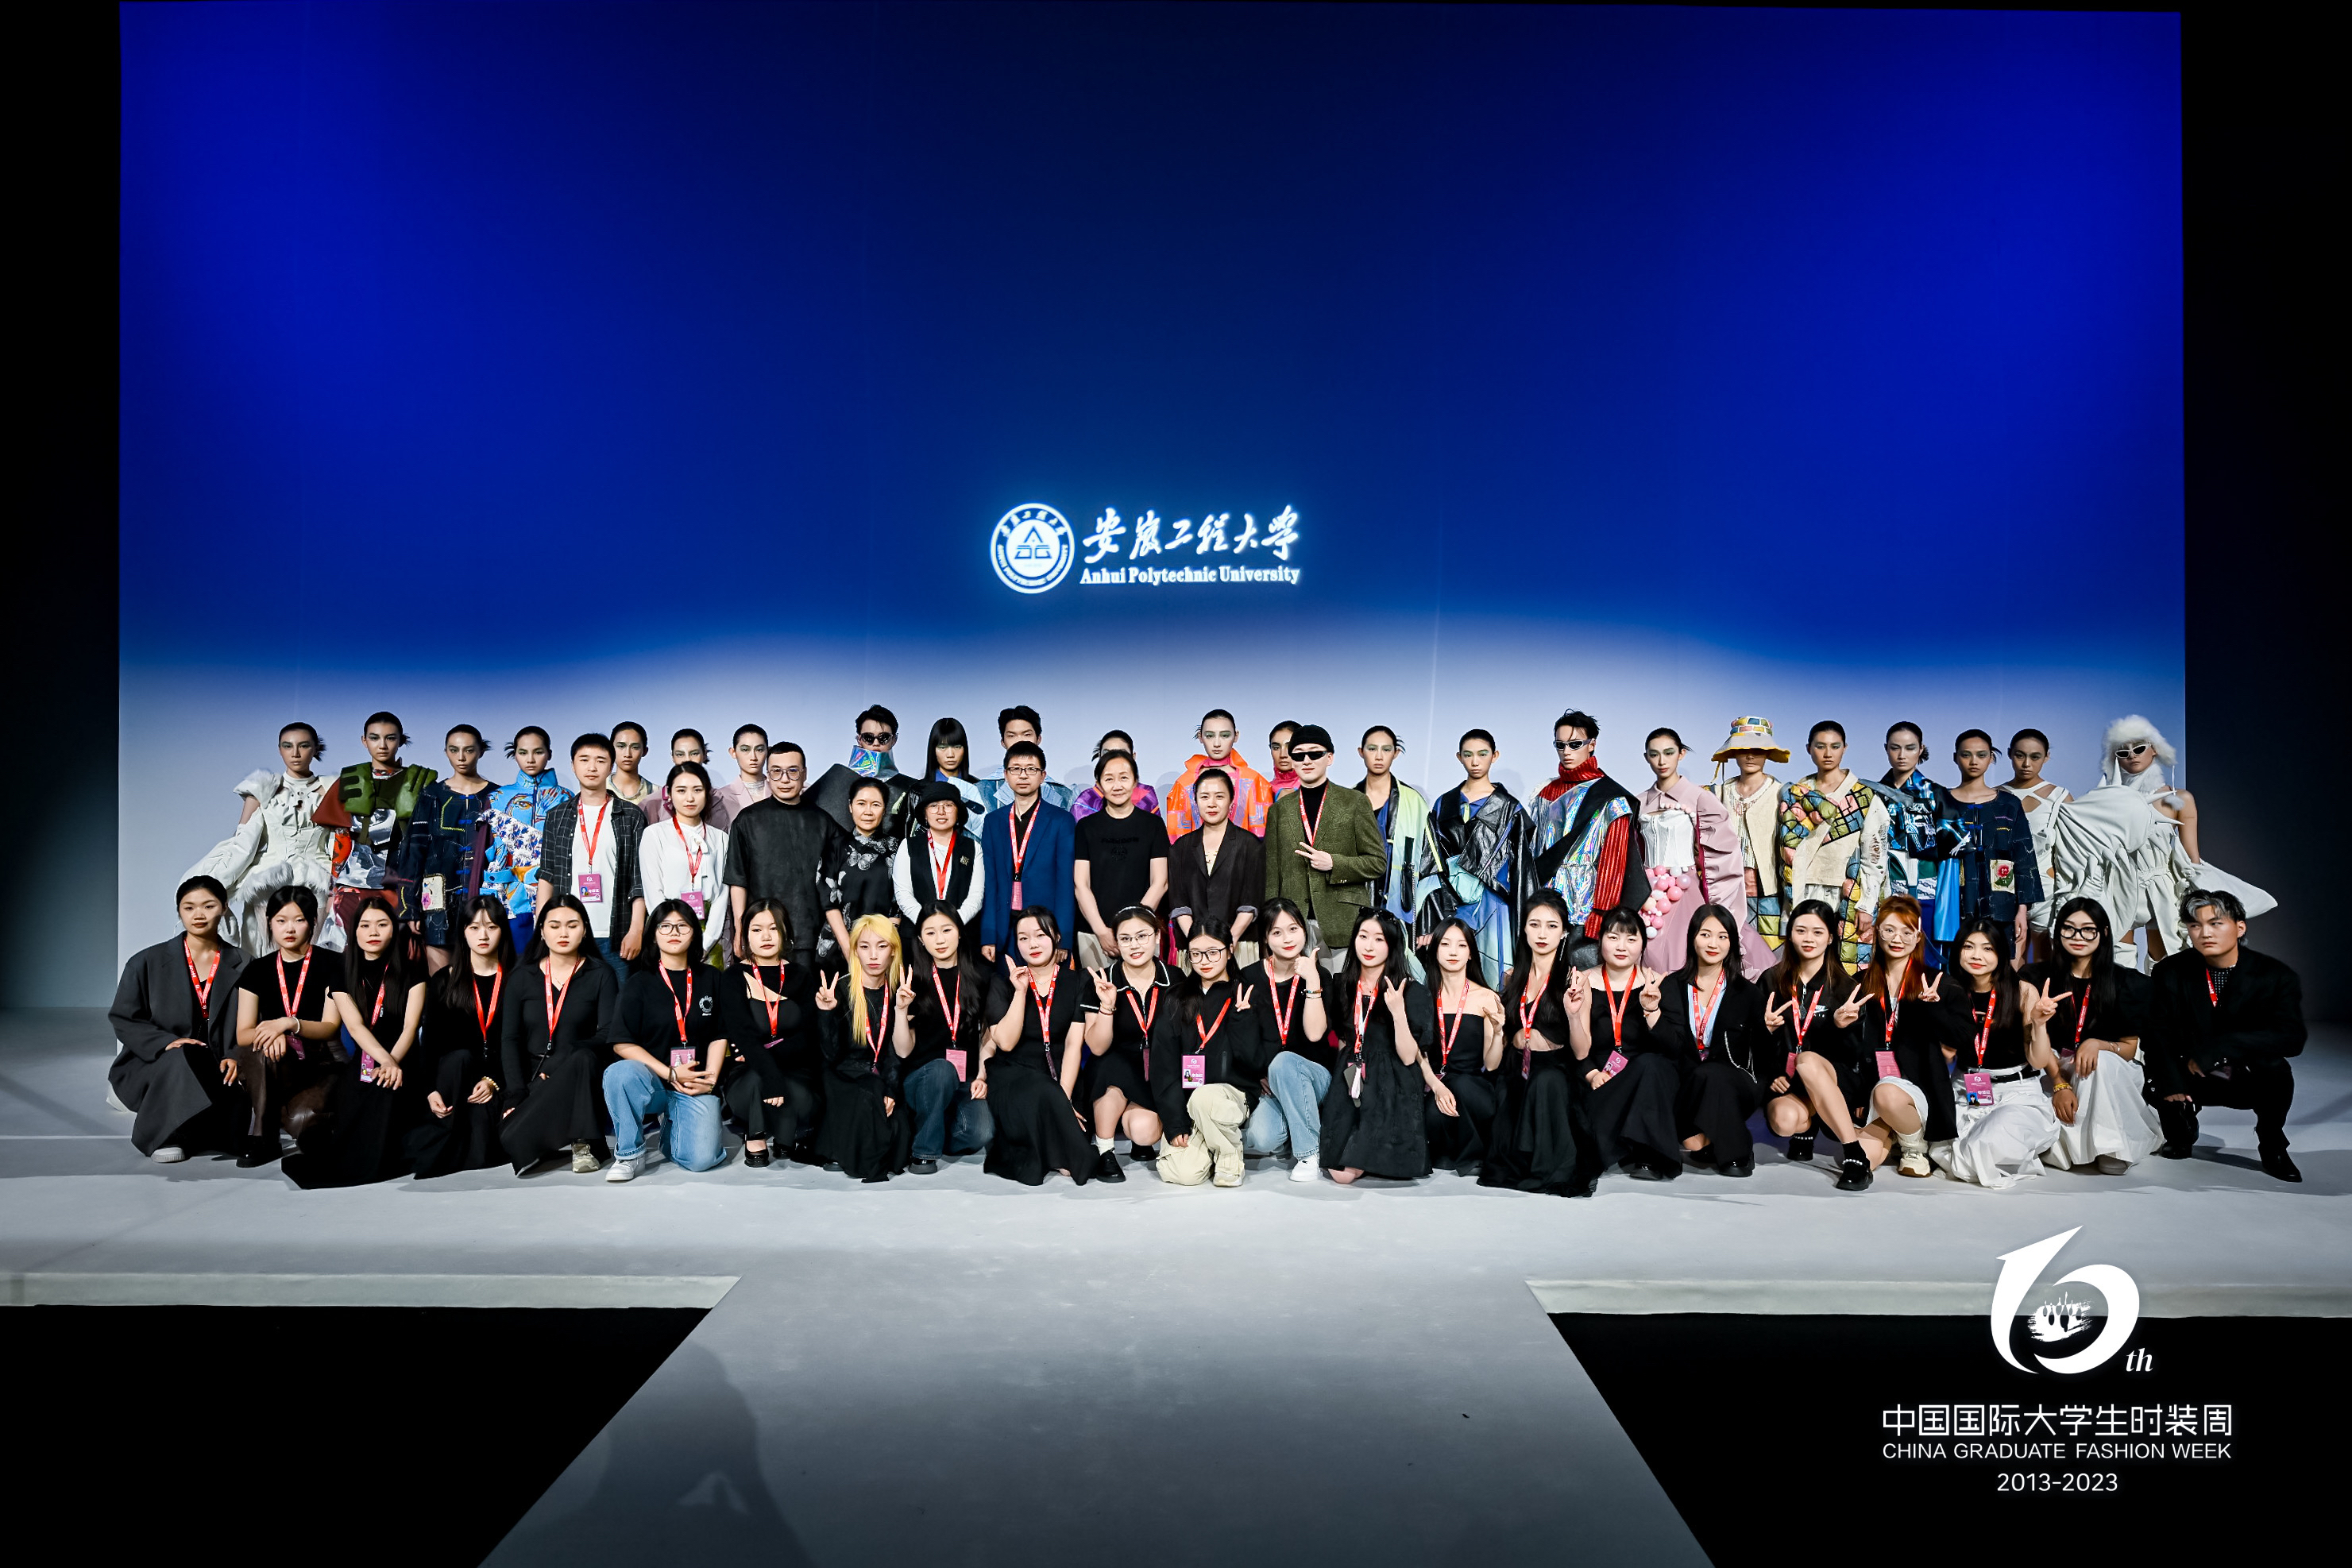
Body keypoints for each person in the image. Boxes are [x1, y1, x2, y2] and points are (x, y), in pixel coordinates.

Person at [2045, 716, 2274, 968]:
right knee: (2118, 955)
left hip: (2160, 885)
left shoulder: (2180, 799)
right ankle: (2122, 995)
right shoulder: (2104, 801)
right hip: (2119, 883)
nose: (2132, 756)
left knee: (2166, 955)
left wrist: (2198, 894)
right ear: (2115, 758)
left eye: (2139, 748)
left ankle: (2163, 994)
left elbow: (2192, 859)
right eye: (2123, 752)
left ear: (2154, 749)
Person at [2145, 888, 2304, 1182]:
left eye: (2216, 923)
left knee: (2277, 1070)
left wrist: (2223, 1048)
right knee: (2153, 1070)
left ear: (2240, 928)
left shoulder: (2273, 975)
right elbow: (2157, 1033)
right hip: (2190, 1067)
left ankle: (2272, 1144)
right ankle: (2180, 1129)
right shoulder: (2170, 971)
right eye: (2195, 925)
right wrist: (2172, 1081)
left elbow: (2292, 1038)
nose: (2205, 933)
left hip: (2245, 1071)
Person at [285, 894, 428, 1188]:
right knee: (356, 1099)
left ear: (394, 929)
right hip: (365, 1058)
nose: (373, 932)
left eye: (382, 924)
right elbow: (355, 1026)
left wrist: (393, 1063)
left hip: (404, 1058)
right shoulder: (342, 972)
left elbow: (410, 1028)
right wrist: (384, 1061)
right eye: (365, 925)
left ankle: (378, 1159)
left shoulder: (413, 971)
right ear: (355, 931)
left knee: (388, 1090)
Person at [108, 876, 251, 1162]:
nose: (198, 915)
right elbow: (124, 1018)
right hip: (157, 1062)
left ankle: (207, 1128)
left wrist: (237, 1054)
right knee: (182, 1055)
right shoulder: (146, 962)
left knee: (232, 1132)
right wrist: (166, 1042)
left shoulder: (245, 963)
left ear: (224, 908)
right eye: (189, 907)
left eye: (208, 906)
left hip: (219, 1063)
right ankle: (165, 1136)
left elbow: (255, 1021)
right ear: (179, 911)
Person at [1924, 917, 2064, 1188]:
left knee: (1981, 1146)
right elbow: (1946, 1056)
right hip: (1966, 1089)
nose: (1977, 956)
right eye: (1969, 947)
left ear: (2001, 953)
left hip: (2016, 1094)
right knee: (1941, 1147)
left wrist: (2039, 1023)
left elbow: (2037, 1060)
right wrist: (1934, 1015)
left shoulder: (2023, 991)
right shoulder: (1949, 991)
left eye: (1987, 948)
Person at [2026, 896, 2161, 1174]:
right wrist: (2059, 1083)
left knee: (2100, 1064)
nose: (2078, 937)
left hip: (2107, 1073)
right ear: (2058, 932)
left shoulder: (2126, 982)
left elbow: (2129, 1049)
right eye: (2069, 929)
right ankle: (2077, 1146)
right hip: (2050, 1066)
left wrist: (2099, 1044)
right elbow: (2032, 1038)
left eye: (2088, 930)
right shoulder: (2036, 977)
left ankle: (2110, 1147)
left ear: (2104, 933)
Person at [601, 899, 729, 1181]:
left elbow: (720, 1035)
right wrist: (670, 1073)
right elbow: (622, 1043)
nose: (674, 932)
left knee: (702, 1160)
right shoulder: (639, 983)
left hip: (695, 1083)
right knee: (619, 1073)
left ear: (694, 933)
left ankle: (671, 1131)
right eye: (665, 926)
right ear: (653, 934)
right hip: (655, 1083)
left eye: (683, 926)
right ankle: (630, 1154)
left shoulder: (711, 978)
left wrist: (709, 1081)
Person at [1823, 897, 1948, 1180]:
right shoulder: (1860, 982)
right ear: (1877, 931)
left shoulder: (1936, 982)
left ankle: (1915, 1146)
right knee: (1862, 1159)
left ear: (1918, 937)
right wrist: (1838, 1025)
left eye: (1907, 932)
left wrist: (1936, 1011)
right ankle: (1894, 1133)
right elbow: (1852, 1050)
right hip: (1875, 1090)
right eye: (1889, 930)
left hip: (1916, 1089)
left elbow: (1956, 1043)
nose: (1897, 939)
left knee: (1888, 1094)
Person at [184, 722, 336, 956]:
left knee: (315, 957)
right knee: (260, 955)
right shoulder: (263, 788)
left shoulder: (333, 789)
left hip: (317, 881)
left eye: (304, 745)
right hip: (267, 882)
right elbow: (242, 841)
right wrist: (216, 885)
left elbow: (342, 841)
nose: (295, 753)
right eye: (288, 746)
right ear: (279, 749)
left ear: (316, 748)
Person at [496, 894, 622, 1175]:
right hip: (534, 1076)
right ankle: (549, 1134)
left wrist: (565, 1056)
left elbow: (608, 1033)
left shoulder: (601, 974)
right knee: (510, 1139)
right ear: (541, 931)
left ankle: (584, 1143)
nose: (563, 933)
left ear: (585, 930)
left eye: (572, 925)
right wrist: (515, 1093)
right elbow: (510, 1040)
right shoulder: (522, 977)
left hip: (580, 1071)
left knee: (584, 1058)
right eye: (554, 926)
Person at [975, 909, 1096, 1186]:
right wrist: (1020, 992)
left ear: (1056, 937)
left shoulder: (1078, 981)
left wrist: (1063, 1100)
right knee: (1040, 1094)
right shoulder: (1002, 982)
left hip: (1062, 1077)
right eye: (1023, 938)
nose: (1032, 944)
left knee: (1073, 1117)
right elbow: (1006, 1042)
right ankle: (1060, 1153)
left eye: (1040, 935)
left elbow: (1074, 1045)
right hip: (1013, 1074)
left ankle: (1056, 1148)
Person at [229, 886, 344, 1167]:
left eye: (299, 920)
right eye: (281, 921)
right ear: (269, 923)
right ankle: (264, 1137)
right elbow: (243, 1033)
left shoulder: (334, 963)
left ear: (313, 922)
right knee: (260, 1050)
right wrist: (272, 1035)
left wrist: (289, 1024)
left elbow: (330, 1026)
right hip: (276, 1061)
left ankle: (295, 1116)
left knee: (308, 1130)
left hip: (321, 1062)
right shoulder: (257, 970)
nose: (289, 928)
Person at [1754, 899, 1866, 1187]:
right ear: (1790, 933)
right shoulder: (1771, 980)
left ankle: (1855, 1154)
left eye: (1818, 932)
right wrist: (1770, 1063)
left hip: (1831, 1077)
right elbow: (1752, 1042)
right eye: (1801, 930)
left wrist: (1840, 1028)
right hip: (1788, 1080)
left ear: (1830, 938)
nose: (1809, 939)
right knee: (1784, 1121)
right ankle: (1807, 1126)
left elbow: (1856, 1053)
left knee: (1807, 1061)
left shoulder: (1846, 988)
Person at [1318, 908, 1435, 1184]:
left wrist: (1398, 1012)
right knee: (1339, 1172)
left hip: (1393, 1080)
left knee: (1349, 1171)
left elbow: (1408, 1057)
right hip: (1352, 1075)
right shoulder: (1343, 985)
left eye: (1379, 939)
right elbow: (1343, 1039)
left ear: (1392, 945)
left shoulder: (1412, 991)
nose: (1369, 946)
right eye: (1363, 936)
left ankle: (1374, 1152)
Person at [1150, 917, 1268, 1188]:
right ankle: (1211, 1145)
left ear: (1230, 950)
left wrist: (1243, 1020)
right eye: (1196, 953)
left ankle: (1229, 1155)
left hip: (1233, 1095)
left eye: (1213, 952)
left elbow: (1254, 1063)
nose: (1205, 960)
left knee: (1206, 1098)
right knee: (1181, 1174)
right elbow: (1163, 1066)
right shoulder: (1177, 998)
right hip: (1190, 1101)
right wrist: (1175, 1121)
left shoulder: (1245, 993)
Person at [1650, 903, 1767, 1176]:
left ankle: (1737, 1152)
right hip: (1689, 1082)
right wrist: (1652, 1013)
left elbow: (1762, 1052)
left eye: (1722, 936)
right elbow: (1668, 1046)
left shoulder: (1748, 993)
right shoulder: (1671, 986)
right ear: (1692, 938)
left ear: (1732, 943)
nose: (1713, 944)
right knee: (1694, 1143)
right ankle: (1722, 1138)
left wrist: (1769, 1031)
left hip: (1734, 1080)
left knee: (1712, 1074)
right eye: (1705, 935)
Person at [1566, 908, 1682, 1181]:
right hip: (1602, 1081)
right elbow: (1578, 1050)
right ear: (1600, 941)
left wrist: (1652, 1011)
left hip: (1648, 1083)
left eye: (1631, 939)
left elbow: (1676, 1048)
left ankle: (1647, 1153)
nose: (1622, 946)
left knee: (1650, 1065)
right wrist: (1591, 1073)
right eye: (1614, 937)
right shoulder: (1583, 982)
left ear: (1643, 944)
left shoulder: (1658, 983)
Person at [1527, 710, 1647, 966]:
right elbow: (1534, 851)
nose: (1566, 752)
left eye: (1575, 744)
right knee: (1542, 981)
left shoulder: (1611, 797)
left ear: (1592, 744)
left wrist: (1602, 913)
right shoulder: (1544, 793)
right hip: (1544, 909)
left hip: (1586, 911)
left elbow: (1614, 862)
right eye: (1560, 745)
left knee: (1584, 983)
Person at [312, 711, 439, 948]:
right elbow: (342, 839)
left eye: (390, 738)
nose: (382, 745)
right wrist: (333, 890)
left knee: (400, 954)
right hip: (354, 881)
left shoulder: (422, 782)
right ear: (364, 740)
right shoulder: (349, 781)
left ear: (401, 740)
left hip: (403, 884)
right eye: (374, 738)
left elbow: (430, 844)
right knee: (339, 952)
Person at [1775, 722, 1896, 969]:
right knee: (1802, 963)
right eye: (1820, 746)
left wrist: (1866, 905)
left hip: (1845, 892)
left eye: (1835, 746)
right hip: (1802, 890)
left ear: (1845, 748)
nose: (1828, 753)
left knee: (1845, 966)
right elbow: (1784, 846)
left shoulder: (1864, 796)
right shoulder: (1796, 793)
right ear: (1809, 749)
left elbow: (1875, 855)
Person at [409, 894, 513, 1178]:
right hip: (454, 1079)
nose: (483, 936)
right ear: (463, 932)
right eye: (474, 928)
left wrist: (493, 1081)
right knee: (460, 1058)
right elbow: (429, 1044)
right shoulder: (444, 980)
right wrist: (430, 1090)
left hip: (493, 1082)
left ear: (503, 930)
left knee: (483, 1149)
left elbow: (520, 1044)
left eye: (491, 927)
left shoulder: (516, 979)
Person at [535, 734, 648, 983]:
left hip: (617, 935)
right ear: (573, 765)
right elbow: (547, 876)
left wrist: (636, 930)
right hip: (568, 934)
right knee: (572, 1004)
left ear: (611, 766)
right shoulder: (557, 816)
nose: (592, 767)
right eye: (584, 760)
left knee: (619, 1004)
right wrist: (541, 927)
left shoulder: (631, 816)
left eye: (600, 760)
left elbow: (639, 880)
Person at [1264, 724, 1385, 961]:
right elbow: (1272, 877)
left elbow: (1377, 863)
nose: (1307, 760)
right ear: (1292, 761)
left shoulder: (1355, 802)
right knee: (1295, 986)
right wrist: (1271, 926)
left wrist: (1334, 864)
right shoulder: (1279, 810)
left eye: (1315, 753)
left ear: (1329, 758)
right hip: (1292, 925)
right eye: (1299, 755)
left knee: (1340, 985)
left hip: (1342, 920)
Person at [716, 899, 821, 1167]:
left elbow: (809, 1036)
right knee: (756, 1081)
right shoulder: (733, 977)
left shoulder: (801, 975)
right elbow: (743, 1035)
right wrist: (768, 1070)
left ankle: (785, 1132)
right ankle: (756, 1134)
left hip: (794, 1068)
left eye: (773, 929)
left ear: (785, 932)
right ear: (745, 935)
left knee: (798, 1093)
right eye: (757, 929)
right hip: (747, 1072)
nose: (766, 937)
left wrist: (765, 1054)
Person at [1235, 899, 1333, 1180]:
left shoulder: (1319, 975)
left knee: (1283, 1062)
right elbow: (1243, 1040)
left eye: (1293, 929)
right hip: (1271, 1084)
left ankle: (1309, 1153)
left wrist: (1312, 981)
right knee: (1261, 1138)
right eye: (1277, 932)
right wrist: (1258, 1074)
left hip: (1315, 1076)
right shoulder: (1249, 977)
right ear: (1265, 938)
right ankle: (1298, 1127)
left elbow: (1315, 1034)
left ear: (1304, 930)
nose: (1287, 939)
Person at [812, 914, 915, 1181]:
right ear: (855, 951)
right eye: (865, 947)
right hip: (843, 1075)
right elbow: (831, 1055)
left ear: (894, 951)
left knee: (899, 1127)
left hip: (882, 1074)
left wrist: (891, 1089)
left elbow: (897, 1052)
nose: (873, 955)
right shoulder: (841, 989)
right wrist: (826, 1014)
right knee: (868, 1099)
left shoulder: (900, 991)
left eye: (881, 946)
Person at [1633, 728, 1744, 974]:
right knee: (1643, 951)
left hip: (1684, 888)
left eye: (1669, 753)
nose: (1662, 761)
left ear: (1681, 754)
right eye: (1654, 754)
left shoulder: (1700, 798)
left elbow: (1724, 854)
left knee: (1683, 955)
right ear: (1646, 757)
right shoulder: (1638, 802)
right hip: (1647, 891)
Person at [1422, 730, 1528, 984]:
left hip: (1494, 902)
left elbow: (1522, 869)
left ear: (1495, 756)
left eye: (1482, 754)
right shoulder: (1444, 803)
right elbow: (1431, 860)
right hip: (1452, 901)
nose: (1475, 761)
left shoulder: (1510, 808)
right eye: (1468, 755)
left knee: (1493, 973)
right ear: (1459, 757)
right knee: (1450, 973)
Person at [1076, 907, 1172, 1181]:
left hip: (1157, 1067)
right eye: (1126, 939)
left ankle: (1139, 1139)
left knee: (1144, 1131)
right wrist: (1107, 1006)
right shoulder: (1101, 980)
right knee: (1109, 1065)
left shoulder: (1175, 978)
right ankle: (1105, 1150)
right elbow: (1097, 1047)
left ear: (1157, 936)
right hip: (1114, 1065)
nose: (1135, 945)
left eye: (1142, 936)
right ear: (1116, 943)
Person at [895, 906, 993, 1172]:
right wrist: (901, 1011)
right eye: (930, 933)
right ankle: (923, 1153)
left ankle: (930, 1128)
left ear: (959, 932)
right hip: (923, 1079)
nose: (939, 940)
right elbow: (903, 1051)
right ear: (920, 939)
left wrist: (982, 1075)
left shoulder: (980, 975)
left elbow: (987, 1034)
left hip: (964, 1080)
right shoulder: (912, 979)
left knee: (980, 1133)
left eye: (946, 930)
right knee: (942, 1070)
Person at [723, 743, 837, 970]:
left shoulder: (824, 821)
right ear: (768, 775)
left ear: (805, 773)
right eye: (776, 771)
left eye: (793, 771)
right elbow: (738, 880)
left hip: (812, 938)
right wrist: (740, 928)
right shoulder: (747, 820)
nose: (785, 779)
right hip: (762, 937)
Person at [395, 725, 498, 974]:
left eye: (469, 750)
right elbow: (413, 852)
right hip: (436, 902)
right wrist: (410, 909)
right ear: (446, 752)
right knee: (440, 982)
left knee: (482, 979)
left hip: (484, 898)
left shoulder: (498, 796)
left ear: (481, 752)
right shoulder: (431, 795)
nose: (461, 757)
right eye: (454, 750)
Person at [1937, 730, 2042, 960]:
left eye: (1981, 755)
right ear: (1955, 757)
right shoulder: (1941, 803)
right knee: (1954, 965)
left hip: (2001, 903)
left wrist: (2022, 910)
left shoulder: (2009, 804)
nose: (1974, 761)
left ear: (1991, 758)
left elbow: (2023, 858)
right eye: (1966, 754)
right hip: (1953, 902)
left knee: (1998, 966)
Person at [1420, 917, 1508, 1175]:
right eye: (1446, 944)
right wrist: (1437, 1087)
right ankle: (1461, 1153)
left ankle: (1471, 1155)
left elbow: (1492, 1064)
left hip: (1474, 1088)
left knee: (1459, 1084)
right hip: (1436, 1086)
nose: (1453, 952)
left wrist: (1499, 1033)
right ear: (1435, 950)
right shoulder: (1423, 997)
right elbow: (1418, 1053)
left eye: (1461, 945)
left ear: (1470, 953)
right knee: (1433, 1114)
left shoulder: (1487, 997)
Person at [977, 740, 1077, 966]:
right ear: (1006, 775)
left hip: (1046, 929)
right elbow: (990, 882)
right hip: (1005, 928)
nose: (1023, 775)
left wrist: (1063, 937)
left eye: (1031, 769)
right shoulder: (994, 821)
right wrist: (989, 935)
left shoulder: (1062, 821)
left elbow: (1065, 884)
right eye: (1016, 769)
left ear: (1043, 776)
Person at [1072, 751, 1170, 970]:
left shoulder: (1153, 825)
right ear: (1098, 784)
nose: (1117, 785)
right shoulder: (1086, 827)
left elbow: (1160, 882)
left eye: (1124, 778)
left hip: (1142, 934)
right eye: (1109, 779)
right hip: (1094, 933)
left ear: (1135, 781)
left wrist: (1132, 930)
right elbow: (1081, 884)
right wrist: (1101, 931)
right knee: (1096, 990)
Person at [1356, 726, 1442, 971]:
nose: (1379, 756)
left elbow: (1431, 862)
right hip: (1357, 902)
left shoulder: (1414, 802)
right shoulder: (1348, 800)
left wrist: (1428, 923)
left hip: (1401, 902)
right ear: (1361, 752)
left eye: (1386, 749)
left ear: (1396, 753)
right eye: (1372, 749)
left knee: (1399, 972)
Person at [1708, 716, 1789, 971]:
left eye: (1758, 749)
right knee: (1728, 953)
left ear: (1768, 753)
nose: (1750, 756)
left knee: (1772, 959)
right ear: (1733, 753)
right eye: (1743, 749)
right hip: (1726, 888)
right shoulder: (1717, 793)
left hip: (1769, 891)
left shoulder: (1782, 793)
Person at [482, 727, 570, 956]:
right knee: (512, 963)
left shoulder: (567, 798)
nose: (530, 759)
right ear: (515, 755)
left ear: (549, 754)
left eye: (538, 752)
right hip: (508, 895)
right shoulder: (497, 798)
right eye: (523, 752)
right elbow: (488, 850)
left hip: (555, 890)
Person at [1165, 767, 1265, 959]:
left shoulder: (1250, 845)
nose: (1212, 804)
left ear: (1231, 801)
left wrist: (1229, 941)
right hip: (1193, 947)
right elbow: (1179, 903)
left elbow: (1251, 901)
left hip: (1238, 945)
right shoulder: (1180, 848)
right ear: (1195, 801)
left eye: (1219, 796)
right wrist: (1197, 942)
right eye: (1204, 797)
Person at [639, 762, 732, 962]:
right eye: (681, 790)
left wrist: (705, 943)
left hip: (710, 934)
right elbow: (653, 892)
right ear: (669, 794)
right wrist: (670, 931)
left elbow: (722, 895)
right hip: (666, 931)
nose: (690, 798)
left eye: (697, 790)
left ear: (707, 793)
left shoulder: (721, 838)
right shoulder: (654, 834)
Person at [1878, 721, 1955, 957]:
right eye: (1895, 748)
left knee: (1926, 957)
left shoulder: (1937, 794)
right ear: (1886, 748)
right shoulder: (1873, 794)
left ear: (1921, 749)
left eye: (1910, 748)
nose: (1902, 755)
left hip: (1927, 891)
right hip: (1883, 889)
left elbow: (1951, 854)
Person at [817, 777, 902, 970]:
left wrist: (885, 948)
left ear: (885, 809)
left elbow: (898, 904)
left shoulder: (897, 848)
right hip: (839, 947)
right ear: (850, 806)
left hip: (883, 948)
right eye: (861, 804)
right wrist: (849, 950)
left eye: (876, 805)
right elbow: (829, 903)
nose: (868, 811)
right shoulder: (834, 846)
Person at [2001, 729, 2072, 956]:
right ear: (2010, 754)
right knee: (2009, 963)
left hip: (2047, 890)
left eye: (2035, 757)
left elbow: (2071, 851)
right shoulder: (1995, 795)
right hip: (2005, 887)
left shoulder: (2060, 797)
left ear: (2047, 757)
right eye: (2020, 755)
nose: (2026, 764)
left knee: (2045, 963)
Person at [894, 780, 985, 953]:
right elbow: (903, 894)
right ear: (925, 814)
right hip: (916, 937)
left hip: (962, 936)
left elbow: (976, 896)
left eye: (948, 805)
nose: (941, 811)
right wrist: (928, 925)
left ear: (958, 812)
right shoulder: (908, 846)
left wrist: (953, 925)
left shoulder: (973, 848)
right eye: (934, 806)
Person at [1163, 709, 1274, 836]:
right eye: (1210, 736)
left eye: (1225, 735)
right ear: (1200, 736)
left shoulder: (1255, 781)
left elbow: (1262, 837)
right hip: (1196, 849)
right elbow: (1177, 838)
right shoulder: (1184, 784)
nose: (1217, 743)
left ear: (1236, 736)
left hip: (1244, 849)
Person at [978, 706, 1076, 813]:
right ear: (1003, 742)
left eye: (1027, 734)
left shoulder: (1065, 794)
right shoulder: (981, 790)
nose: (1020, 741)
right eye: (1012, 736)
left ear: (1038, 739)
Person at [1072, 731, 1162, 819]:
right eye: (1107, 754)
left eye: (1122, 754)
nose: (1114, 759)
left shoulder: (1146, 795)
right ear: (1100, 757)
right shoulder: (1086, 801)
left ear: (1133, 757)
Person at [917, 716, 987, 817]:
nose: (950, 755)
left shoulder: (979, 789)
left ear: (965, 749)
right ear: (933, 750)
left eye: (957, 747)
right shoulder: (917, 791)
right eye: (942, 747)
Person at [639, 729, 711, 826]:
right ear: (673, 757)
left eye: (694, 754)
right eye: (680, 755)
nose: (687, 760)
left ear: (704, 754)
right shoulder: (652, 803)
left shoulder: (720, 800)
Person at [712, 725, 770, 831]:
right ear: (733, 753)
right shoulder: (720, 798)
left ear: (768, 751)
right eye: (745, 750)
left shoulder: (783, 791)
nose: (753, 757)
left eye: (759, 750)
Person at [608, 722, 661, 816]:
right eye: (621, 746)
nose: (627, 754)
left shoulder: (657, 794)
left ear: (644, 751)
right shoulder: (596, 790)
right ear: (611, 749)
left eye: (635, 747)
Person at [1266, 720, 1301, 798]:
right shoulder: (1262, 790)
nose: (1283, 755)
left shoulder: (1319, 790)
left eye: (1290, 747)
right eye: (1276, 748)